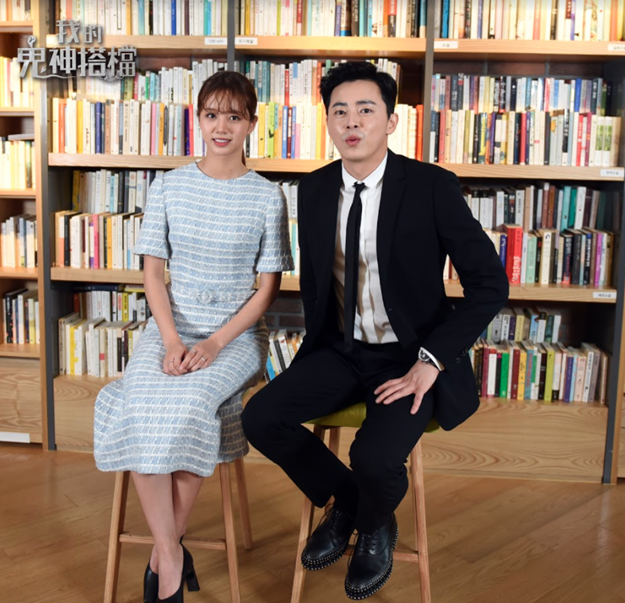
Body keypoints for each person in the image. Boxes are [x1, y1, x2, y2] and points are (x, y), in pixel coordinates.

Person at [242, 61, 509, 600]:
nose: (352, 121)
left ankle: (372, 524)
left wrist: (431, 362)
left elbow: (490, 284)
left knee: (375, 457)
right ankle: (355, 505)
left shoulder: (431, 187)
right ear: (328, 122)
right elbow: (318, 284)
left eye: (366, 109)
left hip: (410, 357)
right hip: (341, 351)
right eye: (340, 111)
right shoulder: (314, 189)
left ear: (390, 121)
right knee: (261, 417)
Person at [94, 71, 293, 603]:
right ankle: (171, 554)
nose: (221, 127)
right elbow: (153, 275)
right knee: (137, 404)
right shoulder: (168, 185)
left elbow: (266, 292)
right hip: (170, 328)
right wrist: (171, 340)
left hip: (235, 338)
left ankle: (163, 563)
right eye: (211, 115)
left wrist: (213, 344)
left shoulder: (267, 197)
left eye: (234, 116)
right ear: (197, 119)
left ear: (251, 123)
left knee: (187, 409)